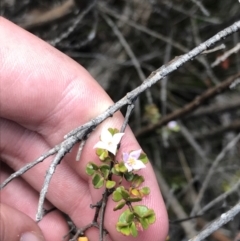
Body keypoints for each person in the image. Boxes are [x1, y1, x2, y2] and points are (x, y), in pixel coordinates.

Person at [0, 17, 168, 241]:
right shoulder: (107, 163)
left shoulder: (120, 170)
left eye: (130, 162)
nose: (128, 162)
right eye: (129, 162)